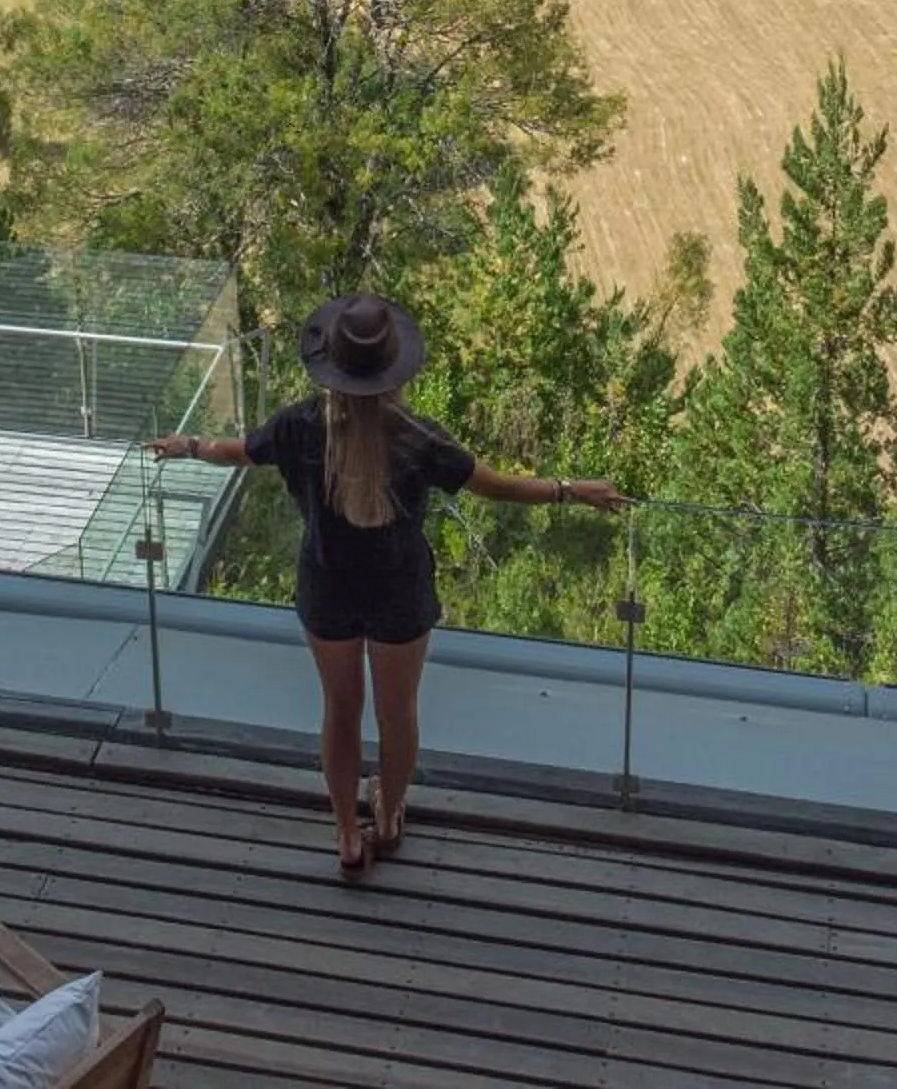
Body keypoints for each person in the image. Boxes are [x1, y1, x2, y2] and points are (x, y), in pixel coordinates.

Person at [146, 291, 629, 879]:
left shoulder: (298, 427)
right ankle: (391, 817)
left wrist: (188, 446)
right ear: (393, 372)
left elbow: (237, 452)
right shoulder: (420, 439)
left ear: (332, 369)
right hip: (400, 594)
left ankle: (348, 836)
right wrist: (572, 489)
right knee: (398, 713)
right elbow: (496, 486)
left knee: (340, 710)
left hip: (326, 589)